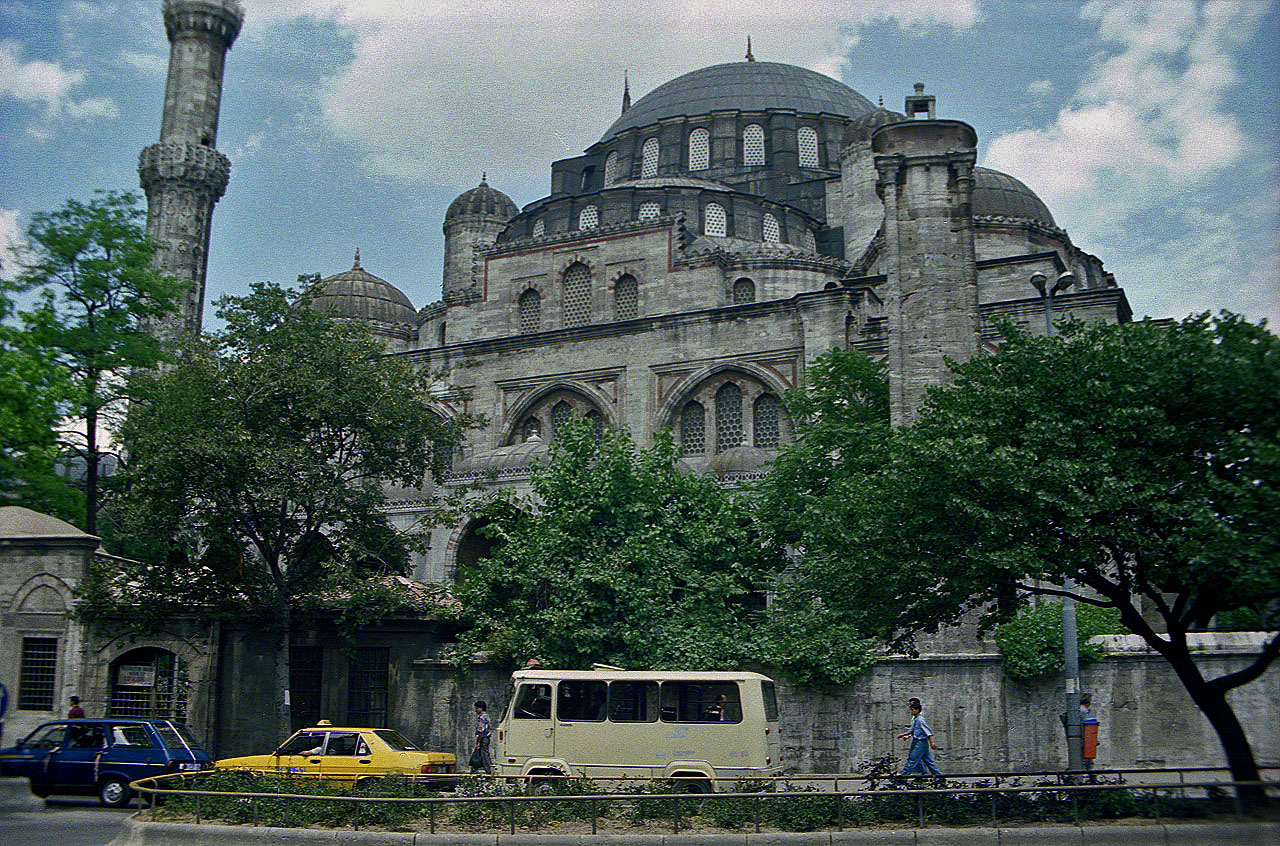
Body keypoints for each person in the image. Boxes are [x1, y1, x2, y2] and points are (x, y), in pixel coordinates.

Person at [897, 697, 942, 775]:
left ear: (917, 709)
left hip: (920, 742)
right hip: (917, 741)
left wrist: (932, 743)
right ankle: (937, 776)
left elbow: (928, 732)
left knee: (912, 760)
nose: (910, 711)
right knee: (928, 761)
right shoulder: (916, 719)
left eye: (912, 709)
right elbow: (912, 730)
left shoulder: (920, 720)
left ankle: (903, 777)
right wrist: (904, 735)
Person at [473, 700, 493, 774]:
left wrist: (478, 742)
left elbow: (481, 730)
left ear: (481, 708)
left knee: (484, 755)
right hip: (487, 738)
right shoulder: (487, 716)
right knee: (484, 754)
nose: (476, 710)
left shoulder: (482, 717)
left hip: (483, 738)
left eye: (476, 708)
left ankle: (488, 771)